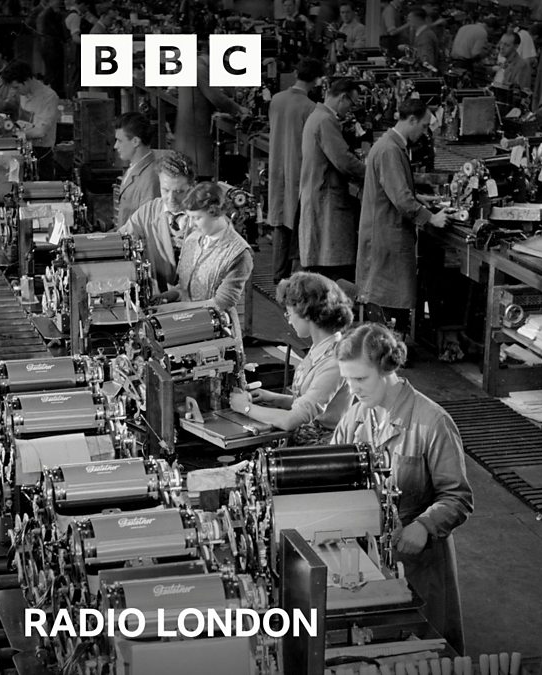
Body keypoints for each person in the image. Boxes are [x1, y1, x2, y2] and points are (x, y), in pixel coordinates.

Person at [331, 323, 474, 655]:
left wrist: (424, 525)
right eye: (347, 379)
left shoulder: (432, 422)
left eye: (360, 379)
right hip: (367, 561)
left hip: (418, 563)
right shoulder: (355, 416)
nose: (353, 389)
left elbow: (458, 496)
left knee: (427, 654)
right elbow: (333, 471)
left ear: (386, 369)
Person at [228, 272, 354, 444]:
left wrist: (245, 407)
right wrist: (273, 398)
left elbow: (292, 420)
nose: (288, 321)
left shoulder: (335, 362)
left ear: (306, 313)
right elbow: (312, 404)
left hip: (322, 450)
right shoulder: (320, 347)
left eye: (289, 313)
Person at [357, 98, 448, 331]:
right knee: (387, 302)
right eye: (424, 126)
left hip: (384, 234)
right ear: (412, 120)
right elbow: (401, 199)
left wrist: (419, 198)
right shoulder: (390, 150)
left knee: (386, 299)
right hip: (387, 238)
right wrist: (431, 218)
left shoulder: (389, 145)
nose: (424, 132)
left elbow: (394, 189)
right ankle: (387, 344)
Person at [299, 77, 363, 282]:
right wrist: (373, 173)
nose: (350, 110)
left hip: (319, 196)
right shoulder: (326, 120)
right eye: (351, 104)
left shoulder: (317, 116)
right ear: (343, 98)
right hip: (326, 202)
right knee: (332, 272)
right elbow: (343, 160)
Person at [155, 182, 253, 314]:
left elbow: (221, 303)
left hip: (216, 324)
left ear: (214, 212)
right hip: (184, 319)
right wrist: (168, 296)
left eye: (196, 218)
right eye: (189, 217)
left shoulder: (238, 253)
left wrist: (172, 308)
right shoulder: (192, 239)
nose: (190, 224)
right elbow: (185, 287)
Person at [268, 57, 323, 283]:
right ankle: (296, 280)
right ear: (317, 80)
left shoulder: (276, 99)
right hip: (297, 170)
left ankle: (278, 276)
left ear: (296, 73)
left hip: (276, 167)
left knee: (280, 223)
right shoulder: (310, 108)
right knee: (297, 224)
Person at [118, 151, 195, 293]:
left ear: (192, 187)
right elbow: (120, 243)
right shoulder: (147, 213)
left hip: (198, 299)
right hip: (159, 298)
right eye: (165, 190)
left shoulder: (206, 217)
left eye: (179, 192)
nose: (171, 199)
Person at [175, 47, 248, 180]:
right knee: (197, 176)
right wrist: (239, 111)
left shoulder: (198, 66)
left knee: (192, 174)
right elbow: (216, 98)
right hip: (194, 134)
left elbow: (220, 88)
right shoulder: (199, 69)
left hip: (192, 132)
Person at [0, 61, 59, 180]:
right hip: (24, 149)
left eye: (16, 87)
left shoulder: (49, 97)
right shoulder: (24, 94)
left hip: (42, 154)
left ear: (26, 80)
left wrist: (18, 134)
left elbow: (41, 131)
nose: (15, 92)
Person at [113, 112, 163, 230]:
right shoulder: (134, 167)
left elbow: (147, 226)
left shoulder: (150, 179)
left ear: (135, 141)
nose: (115, 146)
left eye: (120, 141)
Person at [35, 0, 67, 96]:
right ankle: (54, 93)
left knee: (51, 72)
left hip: (47, 45)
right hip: (51, 46)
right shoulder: (49, 14)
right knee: (54, 73)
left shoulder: (45, 14)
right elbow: (56, 30)